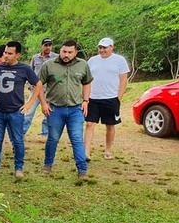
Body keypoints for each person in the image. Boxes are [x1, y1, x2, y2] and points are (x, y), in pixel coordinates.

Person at [0, 41, 44, 179]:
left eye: (10, 53)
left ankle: (19, 168)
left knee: (17, 140)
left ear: (18, 54)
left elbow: (38, 84)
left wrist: (30, 103)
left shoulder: (24, 69)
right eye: (5, 52)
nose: (6, 55)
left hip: (16, 112)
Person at [38, 39, 93, 180]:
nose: (66, 55)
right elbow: (38, 84)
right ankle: (47, 165)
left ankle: (82, 170)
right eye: (64, 51)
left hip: (75, 109)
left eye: (69, 52)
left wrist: (86, 101)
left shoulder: (83, 65)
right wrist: (43, 103)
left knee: (76, 139)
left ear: (75, 53)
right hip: (55, 109)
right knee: (53, 138)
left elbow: (86, 83)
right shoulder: (48, 65)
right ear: (60, 50)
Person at [84, 37, 130, 160]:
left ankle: (108, 150)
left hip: (111, 98)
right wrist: (85, 97)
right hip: (93, 98)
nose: (102, 50)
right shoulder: (92, 60)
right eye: (100, 47)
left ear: (111, 47)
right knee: (89, 124)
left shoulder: (119, 60)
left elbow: (123, 80)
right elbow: (86, 79)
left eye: (104, 47)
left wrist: (118, 98)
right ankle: (86, 152)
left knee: (110, 125)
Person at [24, 38, 59, 138]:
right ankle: (20, 134)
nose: (48, 47)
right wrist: (29, 84)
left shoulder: (56, 57)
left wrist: (58, 82)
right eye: (46, 45)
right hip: (36, 90)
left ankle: (45, 133)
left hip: (49, 91)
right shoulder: (35, 58)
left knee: (48, 114)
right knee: (28, 113)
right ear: (42, 46)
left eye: (49, 45)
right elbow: (30, 71)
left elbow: (59, 73)